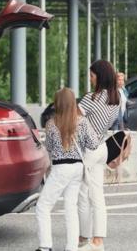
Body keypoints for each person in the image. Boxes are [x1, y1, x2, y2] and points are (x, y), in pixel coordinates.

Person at [35, 88, 99, 251]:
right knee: (71, 207)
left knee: (43, 206)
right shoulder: (82, 121)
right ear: (73, 103)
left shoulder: (51, 124)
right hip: (77, 167)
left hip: (60, 168)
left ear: (57, 104)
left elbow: (49, 147)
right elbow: (93, 144)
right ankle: (71, 247)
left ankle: (45, 246)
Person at [78, 60, 120, 251]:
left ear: (99, 76)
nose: (90, 78)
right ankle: (98, 241)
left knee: (82, 195)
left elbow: (74, 121)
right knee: (97, 195)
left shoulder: (91, 98)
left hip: (88, 150)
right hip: (101, 147)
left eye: (92, 75)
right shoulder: (116, 97)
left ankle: (83, 238)